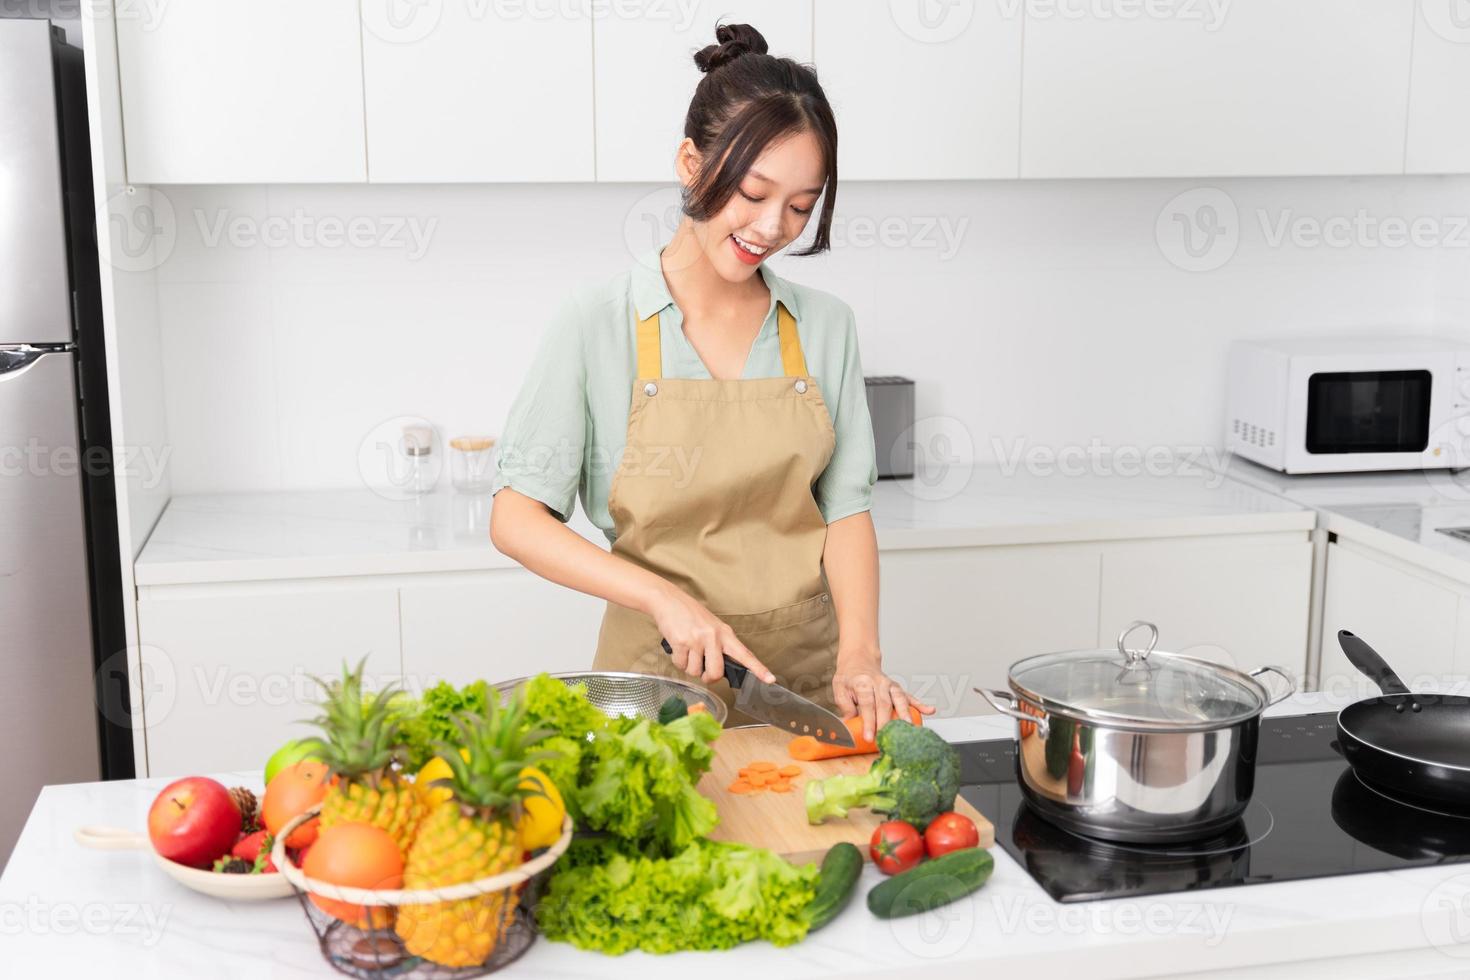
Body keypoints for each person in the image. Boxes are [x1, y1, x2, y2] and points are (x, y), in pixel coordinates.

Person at [490, 23, 932, 740]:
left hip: (804, 686)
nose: (770, 227)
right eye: (752, 193)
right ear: (692, 164)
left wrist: (861, 652)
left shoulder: (824, 325)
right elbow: (515, 518)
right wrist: (662, 597)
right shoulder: (596, 321)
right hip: (650, 685)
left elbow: (845, 509)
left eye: (799, 206)